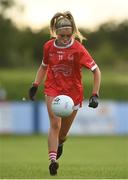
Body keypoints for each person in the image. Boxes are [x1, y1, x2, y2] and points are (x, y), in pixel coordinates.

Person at [29, 11, 101, 176]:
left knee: (62, 134)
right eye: (62, 35)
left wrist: (95, 94)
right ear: (55, 32)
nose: (66, 38)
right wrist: (35, 85)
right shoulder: (48, 46)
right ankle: (53, 161)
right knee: (55, 124)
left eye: (69, 35)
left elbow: (96, 71)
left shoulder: (78, 49)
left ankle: (60, 143)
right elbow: (43, 66)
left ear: (72, 32)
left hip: (73, 93)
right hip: (52, 89)